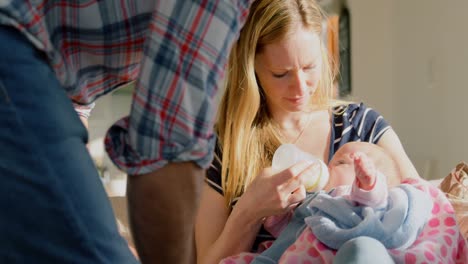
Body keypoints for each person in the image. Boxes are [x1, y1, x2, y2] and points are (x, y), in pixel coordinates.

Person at [0, 1, 251, 263]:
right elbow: (165, 147)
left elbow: (72, 63)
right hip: (14, 50)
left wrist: (94, 218)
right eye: (279, 74)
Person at [194, 0, 421, 263]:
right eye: (281, 74)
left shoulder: (363, 128)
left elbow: (425, 212)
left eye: (310, 67)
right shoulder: (224, 151)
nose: (300, 88)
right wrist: (249, 211)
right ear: (252, 68)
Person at [254, 141, 433, 263]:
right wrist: (278, 220)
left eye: (339, 162)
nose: (328, 167)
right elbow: (292, 230)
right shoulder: (314, 198)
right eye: (330, 161)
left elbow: (375, 204)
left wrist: (368, 184)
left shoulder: (350, 197)